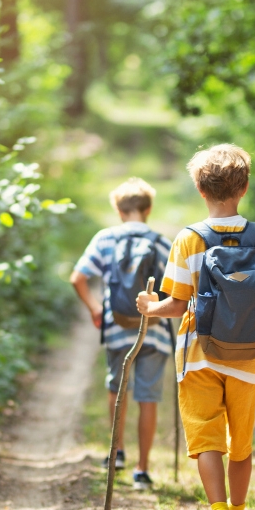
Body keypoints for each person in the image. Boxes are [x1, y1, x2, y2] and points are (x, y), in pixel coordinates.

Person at [137, 145, 255, 510]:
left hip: (198, 354)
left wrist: (149, 308)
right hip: (248, 356)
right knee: (241, 443)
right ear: (244, 187)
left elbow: (175, 303)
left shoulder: (189, 239)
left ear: (200, 190)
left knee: (207, 439)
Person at [70, 178, 172, 490]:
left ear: (118, 209)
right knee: (149, 397)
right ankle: (142, 469)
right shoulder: (162, 241)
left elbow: (78, 278)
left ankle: (116, 453)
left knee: (118, 389)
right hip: (153, 330)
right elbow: (178, 289)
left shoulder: (105, 240)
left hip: (116, 328)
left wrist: (94, 309)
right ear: (148, 209)